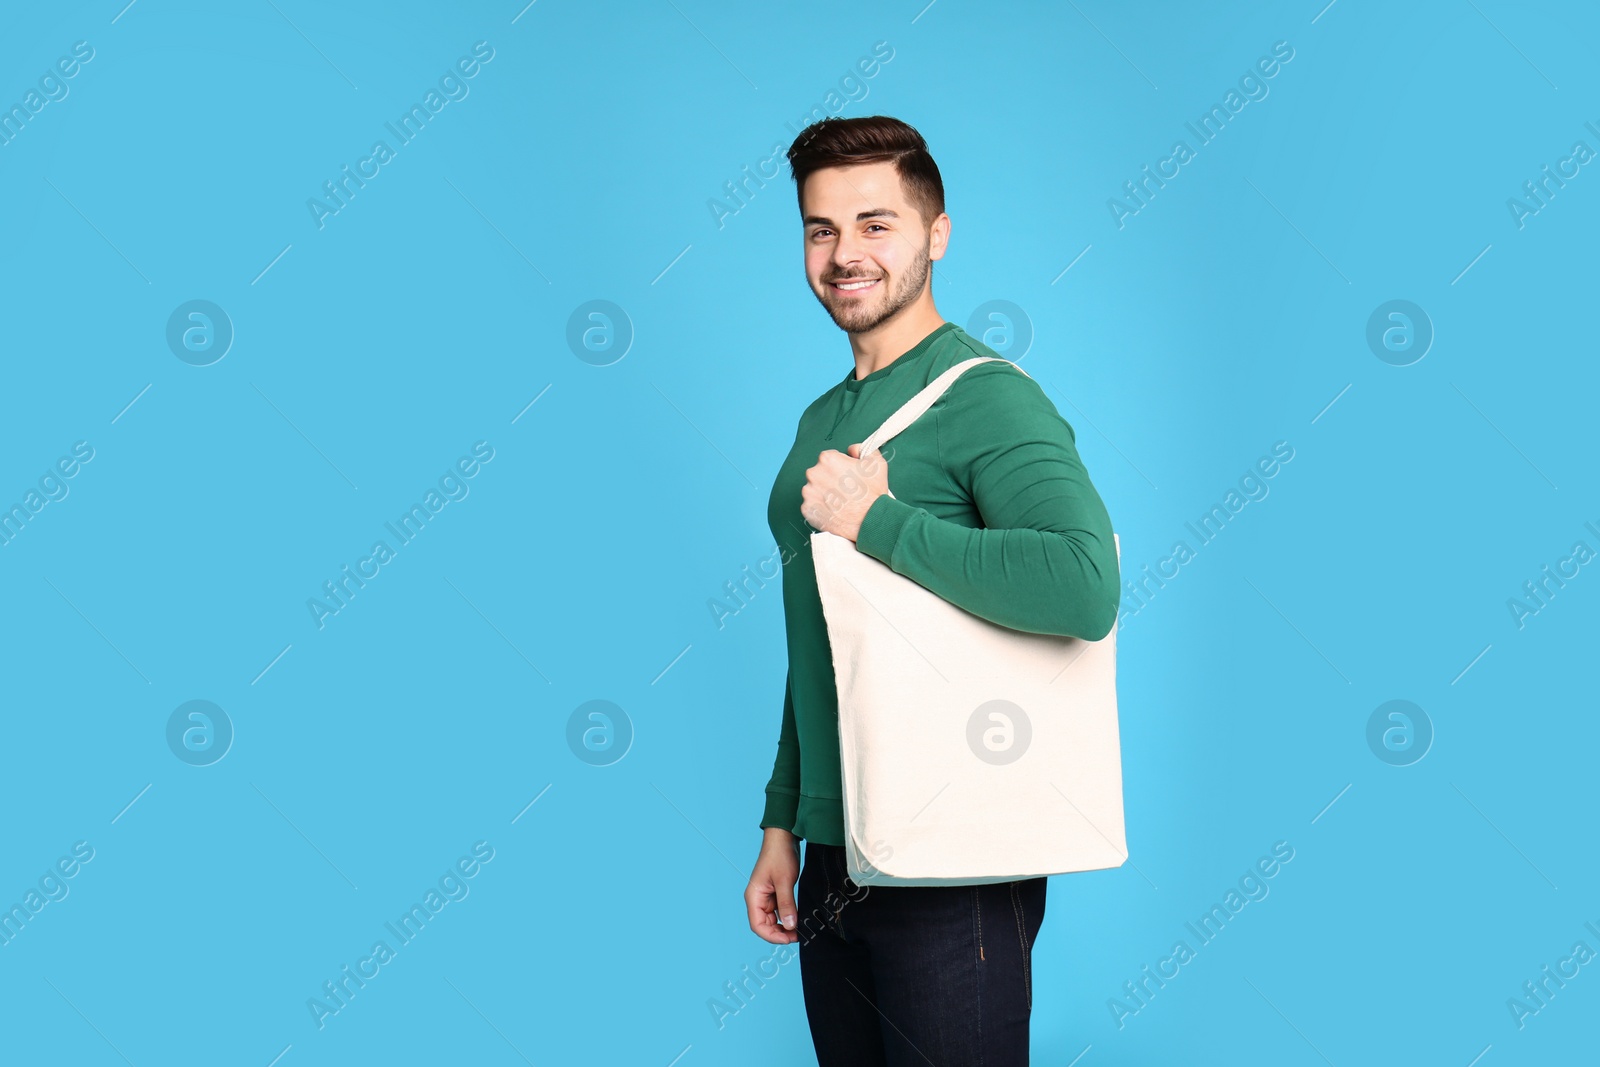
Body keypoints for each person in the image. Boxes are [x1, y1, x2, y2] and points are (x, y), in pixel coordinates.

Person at [743, 114, 1120, 1066]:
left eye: (876, 224)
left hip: (953, 853)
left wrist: (879, 522)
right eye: (820, 229)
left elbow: (1084, 585)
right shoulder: (821, 417)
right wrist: (784, 819)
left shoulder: (985, 396)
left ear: (935, 234)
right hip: (833, 852)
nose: (843, 255)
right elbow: (824, 634)